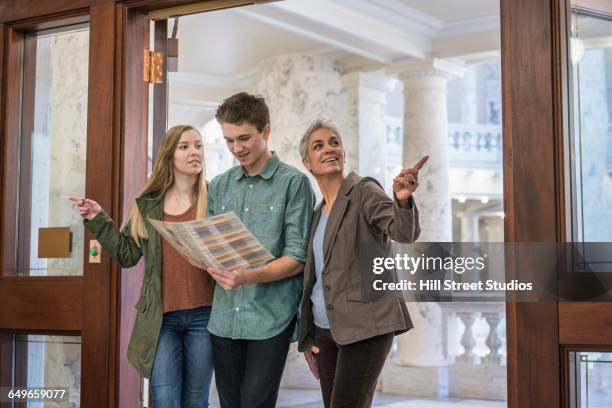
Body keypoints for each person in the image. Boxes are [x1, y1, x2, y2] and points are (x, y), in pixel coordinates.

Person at [69, 125, 214, 408]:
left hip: (206, 317)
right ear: (169, 155)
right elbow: (126, 254)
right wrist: (99, 219)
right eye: (184, 146)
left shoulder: (214, 199)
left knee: (197, 402)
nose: (194, 152)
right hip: (161, 321)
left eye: (198, 145)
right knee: (164, 400)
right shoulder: (148, 206)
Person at [297, 119, 426, 408]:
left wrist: (402, 201)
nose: (329, 148)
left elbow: (402, 232)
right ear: (307, 162)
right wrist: (307, 336)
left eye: (334, 142)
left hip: (366, 328)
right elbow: (315, 279)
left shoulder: (364, 191)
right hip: (324, 331)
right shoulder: (318, 214)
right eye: (318, 145)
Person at [204, 92, 315, 408]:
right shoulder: (221, 185)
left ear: (265, 131)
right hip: (224, 318)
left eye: (244, 138)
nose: (236, 148)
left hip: (269, 318)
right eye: (228, 141)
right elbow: (211, 246)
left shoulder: (294, 183)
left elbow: (297, 257)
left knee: (255, 403)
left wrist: (246, 277)